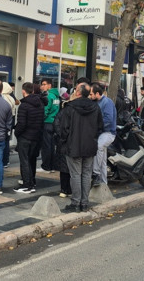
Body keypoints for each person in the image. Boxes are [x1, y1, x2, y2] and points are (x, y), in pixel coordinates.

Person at [56, 83, 103, 212]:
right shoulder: (95, 107)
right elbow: (100, 127)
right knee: (87, 174)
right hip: (89, 146)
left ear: (78, 92)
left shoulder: (70, 107)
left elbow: (63, 128)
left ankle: (76, 203)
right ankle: (84, 202)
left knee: (75, 174)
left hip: (73, 145)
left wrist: (64, 140)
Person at [14, 82, 44, 193]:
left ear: (23, 91)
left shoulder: (24, 105)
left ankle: (26, 185)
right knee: (30, 160)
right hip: (35, 136)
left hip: (25, 136)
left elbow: (21, 123)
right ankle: (31, 183)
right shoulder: (40, 104)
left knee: (24, 161)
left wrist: (17, 133)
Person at [91, 83, 116, 187]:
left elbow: (108, 119)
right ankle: (103, 183)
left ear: (97, 93)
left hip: (108, 132)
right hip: (102, 132)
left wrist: (97, 126)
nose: (90, 96)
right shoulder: (97, 102)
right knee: (102, 160)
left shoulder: (107, 102)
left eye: (91, 94)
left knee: (99, 147)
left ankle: (96, 174)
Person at [38, 78, 61, 173]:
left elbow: (45, 110)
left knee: (46, 146)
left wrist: (40, 120)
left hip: (47, 122)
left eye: (44, 84)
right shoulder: (57, 96)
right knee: (52, 146)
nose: (42, 86)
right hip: (54, 123)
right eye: (41, 84)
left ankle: (46, 166)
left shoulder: (48, 96)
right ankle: (52, 165)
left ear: (49, 85)